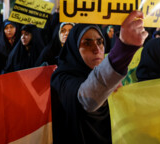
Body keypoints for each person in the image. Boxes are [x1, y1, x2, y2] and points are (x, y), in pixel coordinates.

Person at [51, 11, 148, 143]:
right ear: (74, 49)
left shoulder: (109, 78)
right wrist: (123, 49)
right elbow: (88, 98)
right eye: (87, 43)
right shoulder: (61, 79)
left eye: (100, 42)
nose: (97, 49)